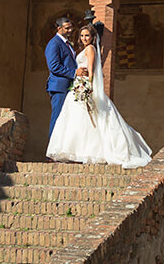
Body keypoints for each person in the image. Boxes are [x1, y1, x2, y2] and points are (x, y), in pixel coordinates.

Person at [47, 24, 152, 168]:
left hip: (83, 86)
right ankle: (80, 152)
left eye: (87, 36)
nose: (84, 38)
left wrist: (87, 87)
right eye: (82, 35)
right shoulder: (83, 49)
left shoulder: (90, 49)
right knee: (77, 120)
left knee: (85, 120)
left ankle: (87, 152)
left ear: (92, 37)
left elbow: (91, 70)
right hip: (77, 86)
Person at [45, 16, 83, 141]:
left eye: (71, 28)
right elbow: (54, 67)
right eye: (67, 28)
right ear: (59, 28)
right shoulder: (54, 43)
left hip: (69, 87)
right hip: (59, 87)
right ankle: (51, 154)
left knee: (67, 119)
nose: (70, 30)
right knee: (58, 118)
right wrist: (74, 73)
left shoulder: (67, 44)